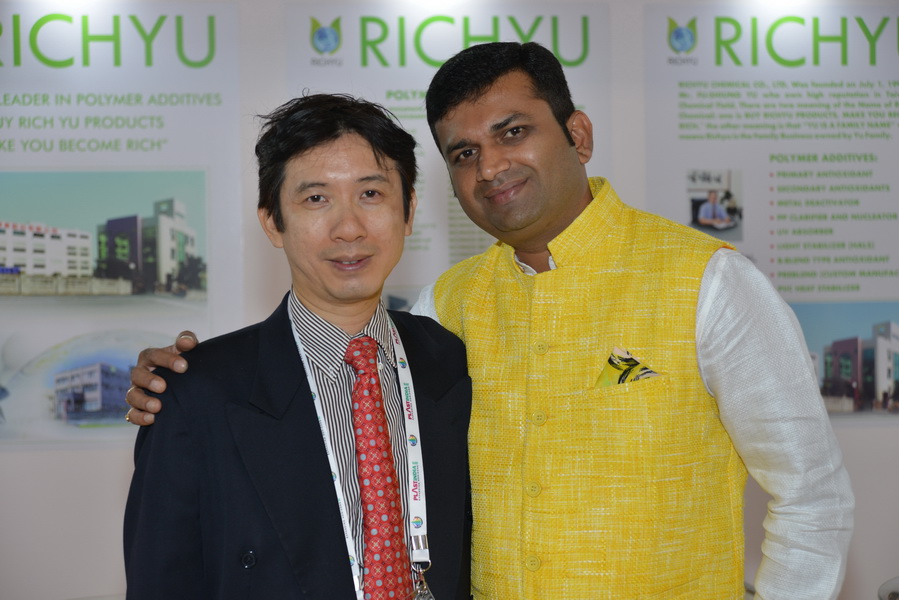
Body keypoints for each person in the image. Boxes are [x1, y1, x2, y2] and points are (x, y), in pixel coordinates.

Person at [126, 43, 854, 600]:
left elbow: (812, 496)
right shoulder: (450, 307)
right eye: (465, 153)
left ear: (578, 134)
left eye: (513, 132)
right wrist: (179, 381)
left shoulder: (709, 283)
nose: (491, 167)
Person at [123, 94, 472, 599]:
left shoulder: (447, 359)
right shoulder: (195, 393)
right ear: (272, 222)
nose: (349, 228)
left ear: (408, 211)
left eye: (371, 193)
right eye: (316, 199)